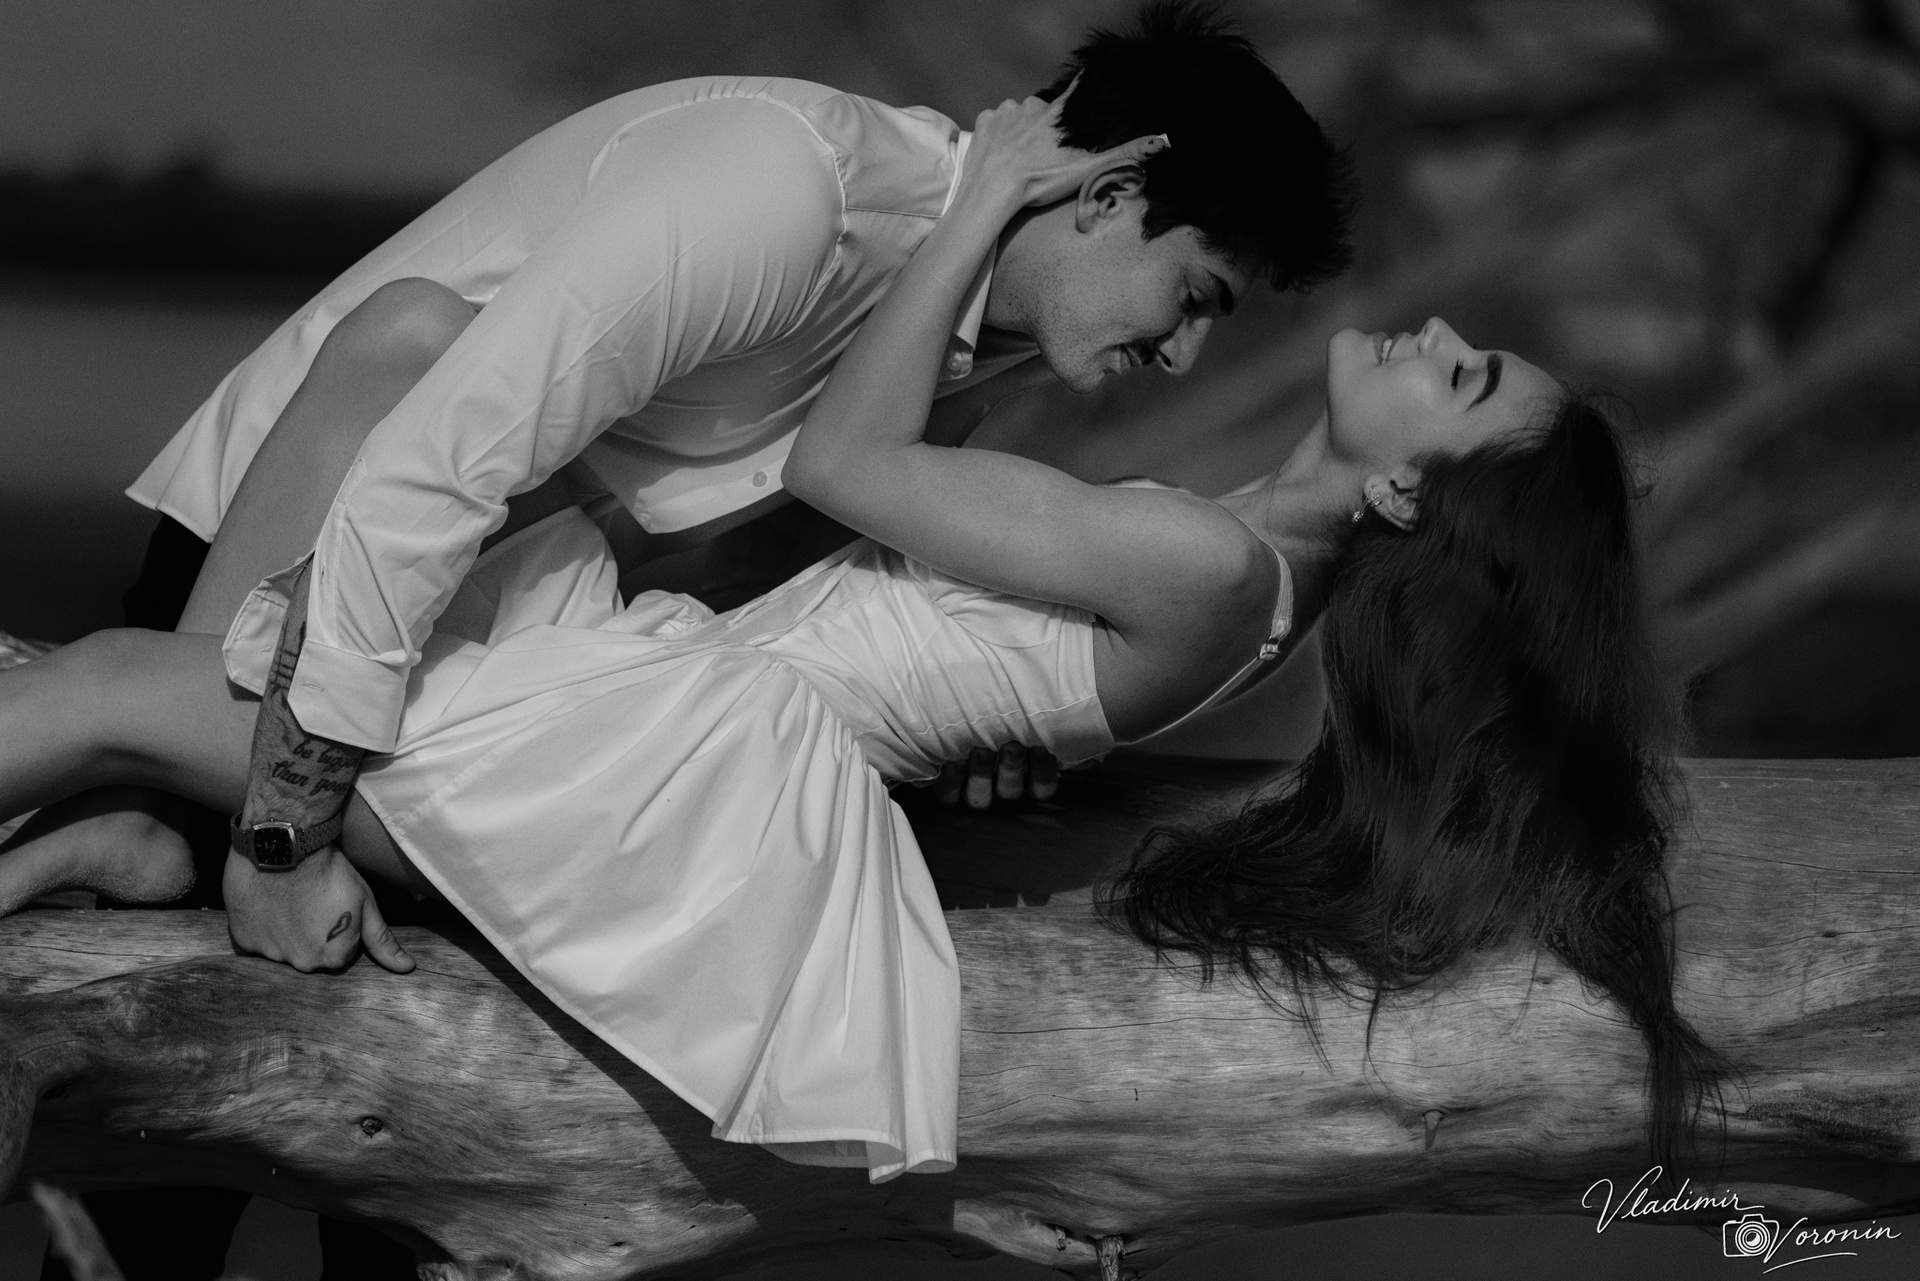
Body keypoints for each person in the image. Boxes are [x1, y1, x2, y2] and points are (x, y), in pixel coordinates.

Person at [1, 88, 1712, 1177]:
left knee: (106, 684)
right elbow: (863, 561)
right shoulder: (1227, 562)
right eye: (1196, 294)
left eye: (1463, 379)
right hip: (677, 713)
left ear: (1408, 492)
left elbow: (837, 467)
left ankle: (167, 823)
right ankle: (152, 835)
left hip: (667, 772)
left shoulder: (1207, 565)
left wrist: (971, 208)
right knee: (384, 368)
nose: (1432, 333)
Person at [11, 0, 1352, 983]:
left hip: (484, 660)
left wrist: (981, 722)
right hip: (310, 544)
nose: (1183, 354)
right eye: (1194, 297)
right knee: (176, 1049)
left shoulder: (963, 353)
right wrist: (285, 828)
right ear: (1108, 194)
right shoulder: (786, 192)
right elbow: (432, 467)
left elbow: (734, 576)